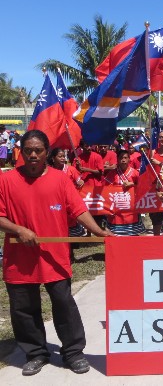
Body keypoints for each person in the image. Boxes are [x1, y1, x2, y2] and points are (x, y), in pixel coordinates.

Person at [0, 130, 113, 376]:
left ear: (46, 153)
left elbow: (78, 210)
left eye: (38, 150)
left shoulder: (60, 180)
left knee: (63, 304)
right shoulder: (6, 180)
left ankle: (73, 352)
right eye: (28, 150)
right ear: (21, 151)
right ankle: (36, 353)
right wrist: (19, 229)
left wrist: (98, 232)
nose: (32, 155)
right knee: (23, 308)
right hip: (19, 259)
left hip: (55, 256)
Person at [103, 150, 145, 235]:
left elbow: (143, 186)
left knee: (132, 235)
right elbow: (106, 189)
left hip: (131, 207)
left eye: (125, 158)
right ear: (117, 160)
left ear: (129, 159)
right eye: (121, 158)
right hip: (117, 207)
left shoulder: (135, 173)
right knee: (117, 235)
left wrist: (132, 184)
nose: (123, 160)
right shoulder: (112, 174)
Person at [47, 148, 86, 238]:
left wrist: (81, 182)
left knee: (71, 225)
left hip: (69, 202)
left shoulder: (71, 169)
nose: (62, 158)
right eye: (60, 156)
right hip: (55, 202)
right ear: (53, 158)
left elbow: (80, 182)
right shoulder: (49, 171)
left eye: (63, 156)